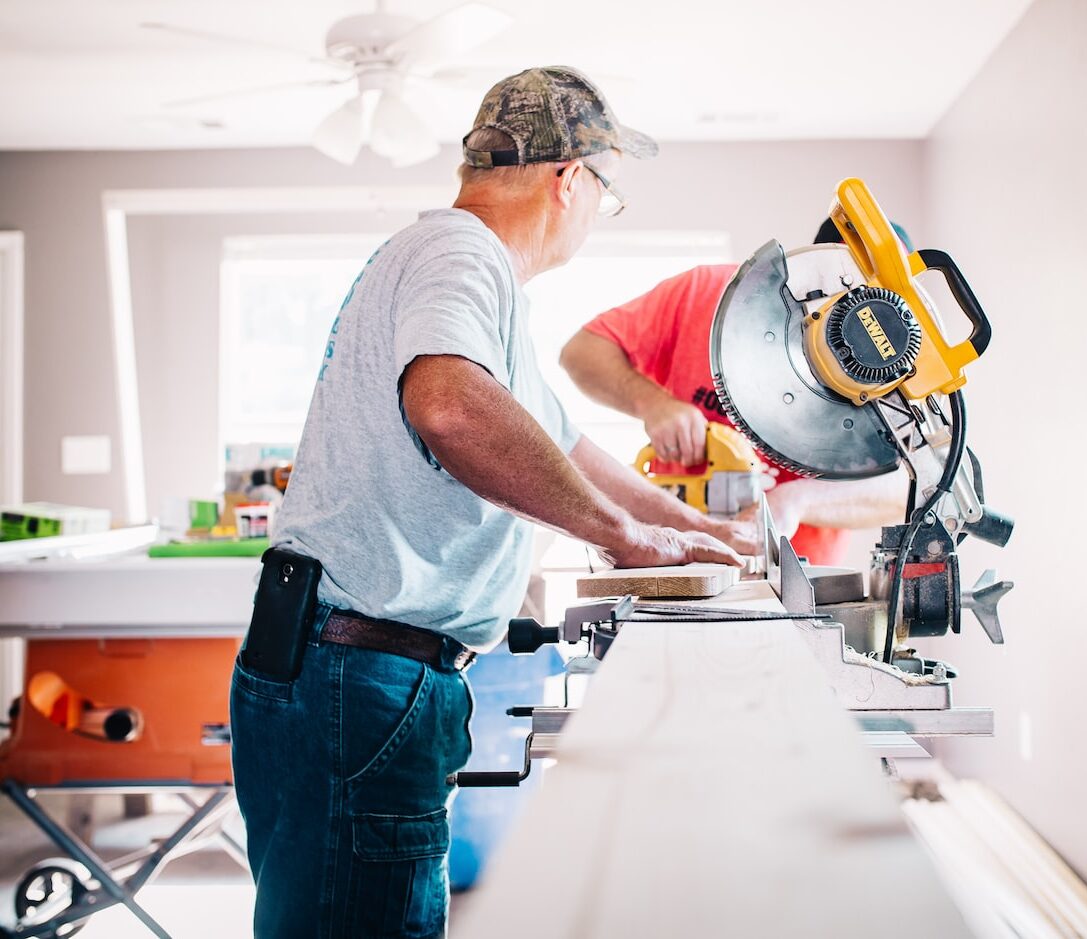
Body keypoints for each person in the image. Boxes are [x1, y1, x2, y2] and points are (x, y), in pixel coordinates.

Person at [229, 66, 752, 939]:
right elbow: (448, 405)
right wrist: (626, 538)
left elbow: (564, 442)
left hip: (347, 668)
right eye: (605, 194)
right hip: (359, 676)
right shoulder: (460, 253)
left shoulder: (466, 277)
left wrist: (691, 528)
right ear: (571, 178)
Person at [560, 219, 915, 566]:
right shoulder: (706, 293)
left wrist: (797, 500)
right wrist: (652, 402)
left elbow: (908, 489)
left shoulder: (892, 370)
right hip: (672, 554)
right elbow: (581, 352)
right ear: (810, 263)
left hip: (795, 577)